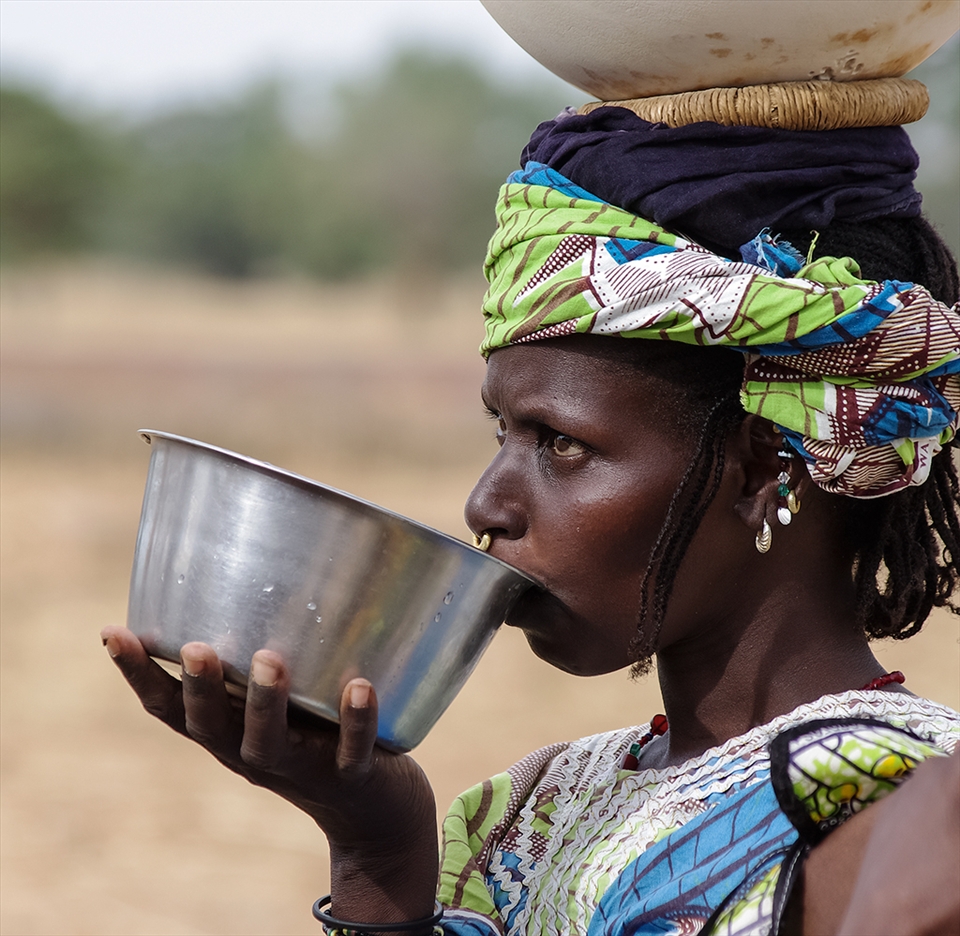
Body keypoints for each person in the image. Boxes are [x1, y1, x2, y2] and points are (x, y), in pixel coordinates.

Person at [101, 104, 960, 935]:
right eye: (503, 433)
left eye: (560, 444)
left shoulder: (888, 818)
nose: (485, 505)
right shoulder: (532, 810)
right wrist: (375, 842)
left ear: (764, 464)